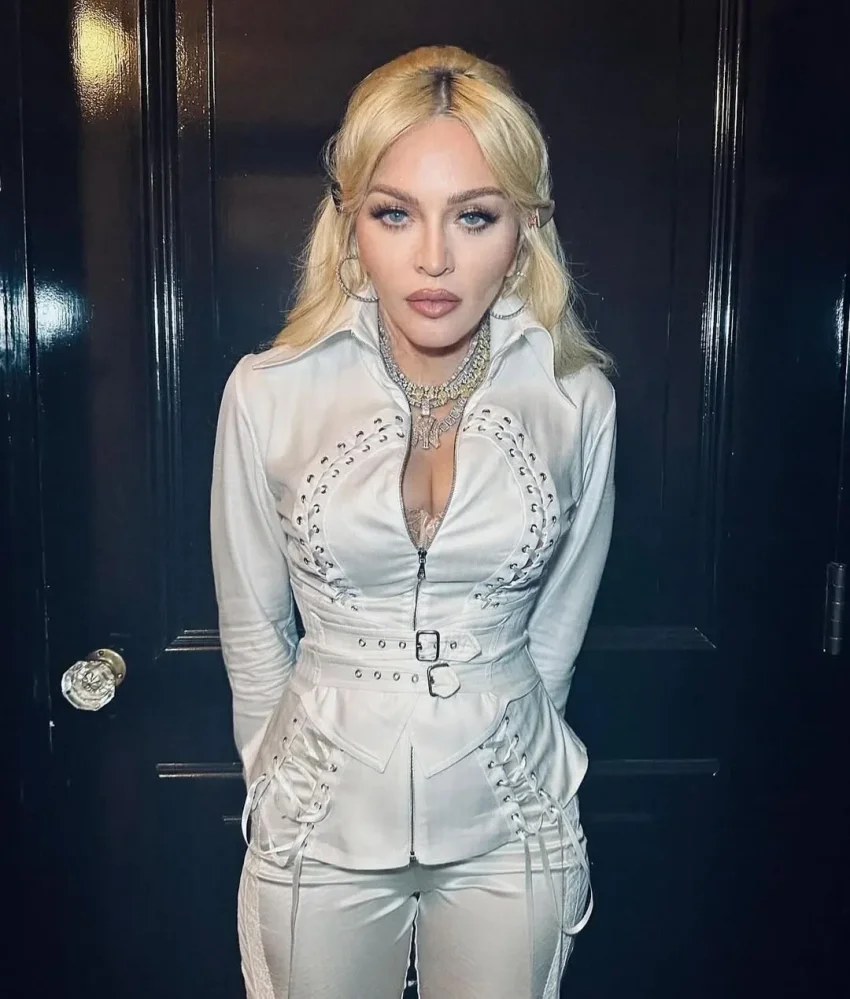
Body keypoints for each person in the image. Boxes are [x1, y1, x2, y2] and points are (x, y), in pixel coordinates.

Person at [210, 44, 616, 999]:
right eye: (395, 213)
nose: (434, 257)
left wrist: (518, 746)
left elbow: (558, 630)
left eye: (474, 215)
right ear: (351, 223)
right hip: (318, 819)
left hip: (510, 820)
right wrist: (274, 781)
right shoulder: (267, 393)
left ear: (526, 227)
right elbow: (252, 625)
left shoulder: (577, 399)